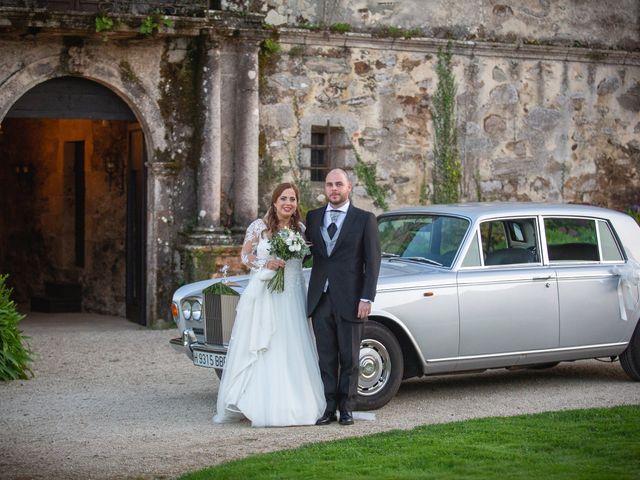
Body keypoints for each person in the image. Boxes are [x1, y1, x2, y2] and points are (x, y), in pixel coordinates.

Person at [213, 183, 326, 427]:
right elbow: (245, 256)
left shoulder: (302, 229)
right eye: (283, 198)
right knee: (265, 344)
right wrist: (266, 264)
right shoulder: (259, 227)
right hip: (267, 294)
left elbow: (310, 256)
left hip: (293, 296)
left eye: (293, 199)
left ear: (297, 204)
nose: (288, 203)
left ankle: (294, 403)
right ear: (274, 202)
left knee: (291, 344)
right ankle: (253, 402)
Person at [306, 169, 381, 426]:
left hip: (351, 299)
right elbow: (307, 253)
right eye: (329, 185)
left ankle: (347, 407)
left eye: (339, 184)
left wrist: (366, 298)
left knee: (349, 357)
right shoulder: (313, 217)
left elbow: (372, 263)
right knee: (326, 356)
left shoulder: (364, 219)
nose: (334, 189)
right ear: (325, 189)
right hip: (320, 298)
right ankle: (328, 407)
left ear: (349, 187)